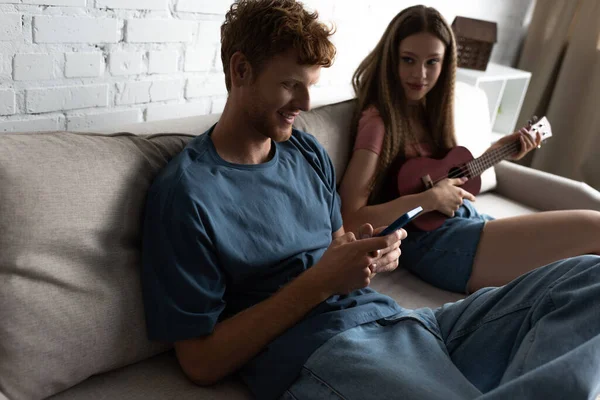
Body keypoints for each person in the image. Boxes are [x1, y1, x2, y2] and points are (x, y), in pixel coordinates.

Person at [141, 1, 600, 399]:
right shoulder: (187, 193)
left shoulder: (305, 152)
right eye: (290, 85)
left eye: (311, 85)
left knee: (589, 280)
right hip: (326, 353)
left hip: (407, 323)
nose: (304, 102)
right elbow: (200, 363)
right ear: (240, 70)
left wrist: (365, 256)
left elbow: (338, 243)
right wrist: (322, 281)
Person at [340, 5, 600, 294]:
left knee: (589, 270)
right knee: (595, 227)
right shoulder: (379, 121)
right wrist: (428, 199)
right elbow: (350, 218)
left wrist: (500, 150)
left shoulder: (430, 111)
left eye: (432, 62)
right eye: (408, 59)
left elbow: (448, 177)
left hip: (465, 221)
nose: (420, 74)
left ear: (445, 63)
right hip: (431, 242)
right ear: (391, 59)